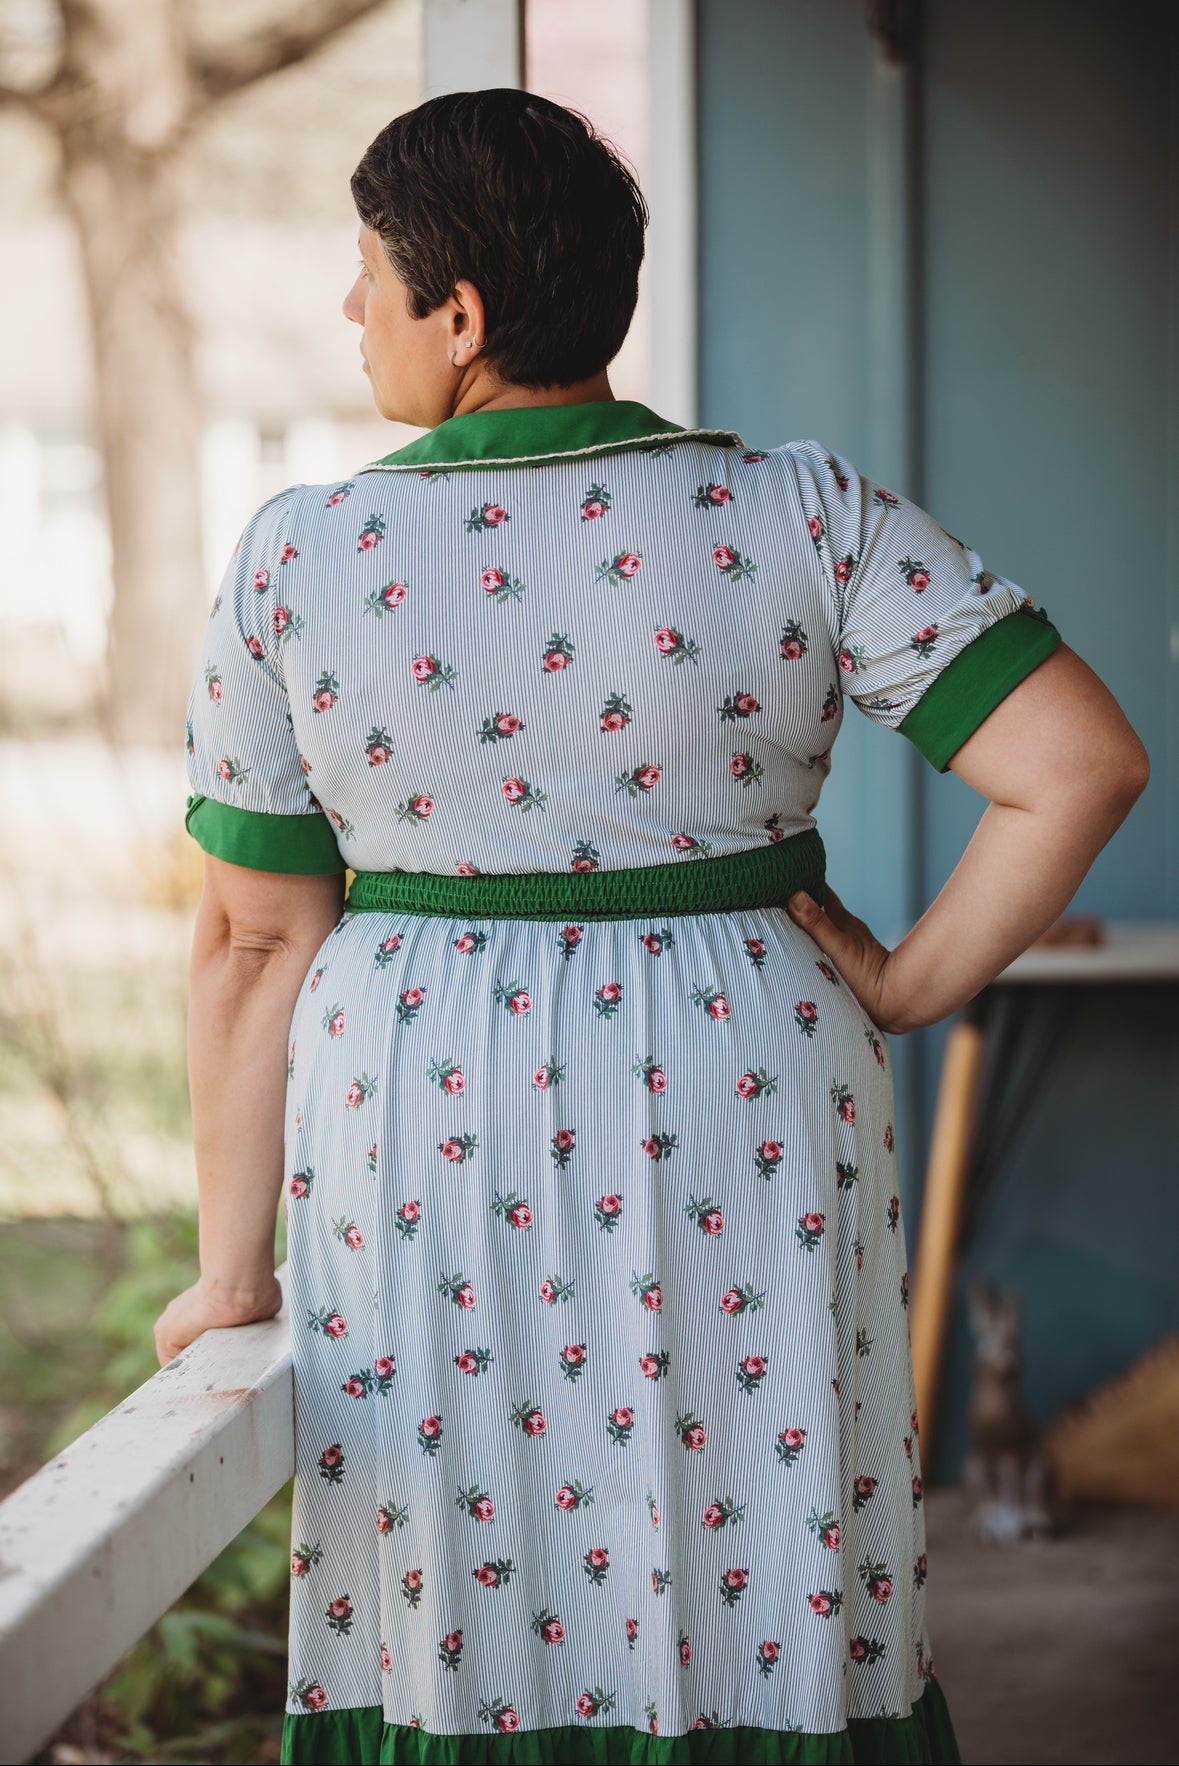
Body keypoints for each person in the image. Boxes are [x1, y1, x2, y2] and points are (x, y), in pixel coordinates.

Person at [157, 88, 1149, 1765]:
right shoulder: (800, 510)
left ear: (457, 316)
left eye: (367, 277)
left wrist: (229, 1268)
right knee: (764, 1527)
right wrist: (907, 983)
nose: (350, 314)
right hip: (747, 1095)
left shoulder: (299, 558)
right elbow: (1082, 764)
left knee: (461, 1559)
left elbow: (256, 941)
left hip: (425, 1116)